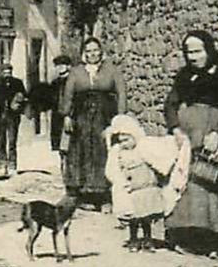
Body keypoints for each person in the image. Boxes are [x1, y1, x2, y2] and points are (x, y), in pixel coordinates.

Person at [163, 30, 218, 255]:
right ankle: (187, 236)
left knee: (212, 184)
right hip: (188, 137)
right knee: (188, 184)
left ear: (209, 50)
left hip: (214, 135)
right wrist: (175, 128)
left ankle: (217, 241)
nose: (193, 57)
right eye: (189, 52)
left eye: (198, 51)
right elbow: (170, 104)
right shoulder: (184, 76)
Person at [104, 114, 189, 252]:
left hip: (146, 188)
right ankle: (133, 239)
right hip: (133, 190)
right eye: (121, 141)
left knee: (146, 218)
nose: (124, 144)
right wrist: (121, 182)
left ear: (134, 136)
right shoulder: (120, 154)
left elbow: (158, 160)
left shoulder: (144, 149)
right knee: (133, 219)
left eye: (127, 140)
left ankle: (148, 239)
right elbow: (113, 170)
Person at [60, 38, 122, 208]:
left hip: (104, 117)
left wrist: (120, 119)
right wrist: (67, 116)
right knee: (82, 152)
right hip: (82, 118)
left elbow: (121, 94)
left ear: (101, 52)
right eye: (88, 51)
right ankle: (85, 197)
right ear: (84, 54)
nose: (92, 54)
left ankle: (104, 198)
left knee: (103, 152)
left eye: (95, 50)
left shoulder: (112, 70)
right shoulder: (76, 72)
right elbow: (68, 95)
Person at [32, 55, 72, 155]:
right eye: (57, 65)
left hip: (71, 114)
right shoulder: (55, 82)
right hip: (57, 114)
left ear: (68, 66)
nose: (60, 67)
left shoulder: (73, 80)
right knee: (59, 144)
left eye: (62, 65)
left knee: (70, 142)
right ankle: (63, 165)